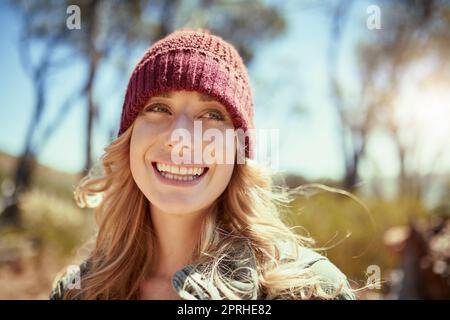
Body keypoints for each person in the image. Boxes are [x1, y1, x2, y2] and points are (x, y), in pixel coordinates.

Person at [50, 29, 355, 300]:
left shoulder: (311, 290)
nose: (180, 137)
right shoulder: (77, 291)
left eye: (212, 114)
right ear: (128, 139)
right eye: (158, 107)